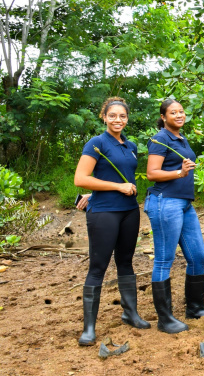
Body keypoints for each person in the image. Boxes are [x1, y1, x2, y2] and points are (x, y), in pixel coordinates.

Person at [74, 97, 149, 346]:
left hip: (130, 211)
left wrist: (116, 188)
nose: (118, 120)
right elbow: (81, 178)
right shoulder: (96, 143)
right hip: (104, 212)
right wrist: (117, 187)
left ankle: (130, 313)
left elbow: (115, 175)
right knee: (98, 266)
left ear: (127, 119)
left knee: (126, 262)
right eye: (113, 116)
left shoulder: (131, 144)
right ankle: (89, 327)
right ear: (103, 117)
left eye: (122, 116)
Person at [145, 99, 204, 334]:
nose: (178, 115)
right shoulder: (161, 138)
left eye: (181, 111)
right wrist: (180, 172)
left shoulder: (180, 138)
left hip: (185, 204)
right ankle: (165, 319)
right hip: (164, 202)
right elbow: (152, 173)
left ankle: (195, 308)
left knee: (197, 255)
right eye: (172, 112)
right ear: (163, 117)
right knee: (164, 259)